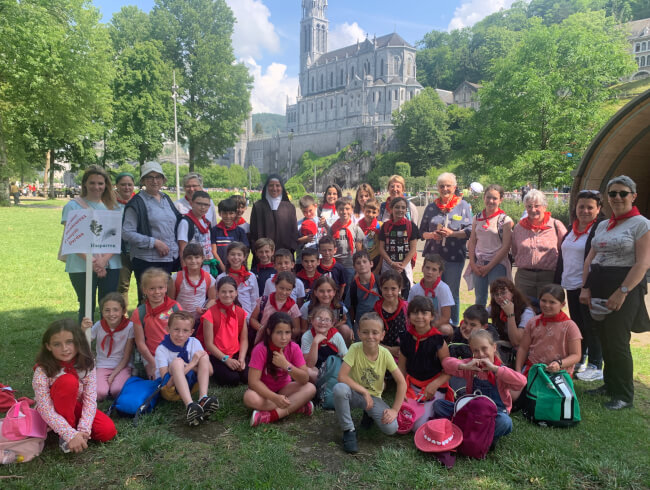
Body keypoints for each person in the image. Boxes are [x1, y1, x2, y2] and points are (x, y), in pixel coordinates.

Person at [580, 175, 650, 410]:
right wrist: (586, 287)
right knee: (604, 338)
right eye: (612, 193)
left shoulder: (641, 224)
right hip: (599, 283)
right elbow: (591, 257)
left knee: (619, 341)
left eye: (623, 193)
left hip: (624, 286)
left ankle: (624, 395)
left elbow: (642, 263)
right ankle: (609, 384)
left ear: (633, 196)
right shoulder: (603, 225)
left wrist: (622, 292)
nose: (617, 197)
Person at [33, 319, 117, 453]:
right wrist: (69, 434)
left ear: (78, 341)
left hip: (76, 407)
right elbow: (45, 408)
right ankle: (64, 435)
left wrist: (84, 429)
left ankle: (76, 431)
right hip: (53, 411)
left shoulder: (87, 363)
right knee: (68, 381)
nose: (65, 349)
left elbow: (90, 398)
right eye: (57, 344)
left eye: (69, 342)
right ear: (48, 346)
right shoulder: (42, 370)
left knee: (107, 431)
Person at [435, 329, 527, 447]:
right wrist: (464, 366)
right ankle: (477, 435)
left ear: (494, 347)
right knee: (439, 405)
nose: (481, 354)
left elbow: (522, 382)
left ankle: (472, 435)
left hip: (494, 414)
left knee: (505, 422)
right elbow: (446, 364)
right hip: (471, 411)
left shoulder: (501, 370)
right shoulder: (471, 366)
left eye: (484, 348)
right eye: (476, 351)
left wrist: (495, 369)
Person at [333, 312, 407, 454]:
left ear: (382, 335)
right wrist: (364, 391)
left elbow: (401, 382)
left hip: (373, 398)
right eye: (365, 332)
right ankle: (349, 430)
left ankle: (369, 413)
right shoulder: (355, 348)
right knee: (339, 389)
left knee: (391, 428)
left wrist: (395, 410)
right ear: (359, 333)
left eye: (375, 333)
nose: (370, 336)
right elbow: (341, 376)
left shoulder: (385, 353)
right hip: (354, 393)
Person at [555, 190, 604, 381]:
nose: (584, 210)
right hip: (571, 284)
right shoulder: (572, 229)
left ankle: (596, 364)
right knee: (577, 325)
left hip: (587, 286)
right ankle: (580, 359)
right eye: (581, 206)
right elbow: (563, 259)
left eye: (590, 207)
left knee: (591, 326)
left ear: (598, 209)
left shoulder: (598, 231)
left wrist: (588, 286)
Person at [61, 165, 121, 322]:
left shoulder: (113, 207)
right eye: (92, 183)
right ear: (85, 184)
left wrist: (103, 260)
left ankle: (105, 342)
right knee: (86, 305)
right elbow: (71, 238)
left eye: (100, 183)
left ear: (106, 185)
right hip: (80, 264)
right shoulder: (72, 206)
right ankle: (85, 341)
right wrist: (93, 262)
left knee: (108, 305)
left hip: (110, 263)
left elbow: (115, 238)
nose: (96, 187)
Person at [123, 161, 181, 304]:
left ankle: (162, 327)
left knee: (164, 301)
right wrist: (154, 242)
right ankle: (144, 326)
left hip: (167, 260)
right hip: (146, 260)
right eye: (150, 177)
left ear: (163, 180)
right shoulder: (137, 203)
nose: (155, 181)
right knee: (149, 301)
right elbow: (126, 233)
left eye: (158, 177)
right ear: (143, 180)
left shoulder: (166, 198)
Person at [244, 312, 316, 427]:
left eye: (287, 332)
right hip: (264, 393)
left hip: (284, 389)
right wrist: (275, 398)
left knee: (310, 388)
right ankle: (297, 406)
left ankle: (269, 416)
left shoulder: (294, 347)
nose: (284, 337)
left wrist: (286, 365)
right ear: (269, 332)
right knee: (249, 398)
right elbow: (253, 382)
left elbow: (304, 379)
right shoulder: (260, 349)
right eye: (279, 332)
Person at [419, 172, 473, 326]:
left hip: (454, 257)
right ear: (438, 188)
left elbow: (469, 231)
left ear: (454, 187)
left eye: (448, 186)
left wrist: (452, 233)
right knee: (432, 291)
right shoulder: (431, 207)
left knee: (451, 292)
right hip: (434, 257)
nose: (445, 189)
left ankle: (453, 325)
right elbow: (421, 232)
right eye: (442, 186)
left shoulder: (463, 206)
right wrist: (431, 235)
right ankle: (431, 323)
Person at [155, 311, 219, 426]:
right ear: (168, 329)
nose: (180, 335)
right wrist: (192, 363)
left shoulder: (194, 342)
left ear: (191, 332)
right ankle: (190, 406)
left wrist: (191, 365)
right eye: (176, 329)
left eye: (185, 331)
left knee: (203, 356)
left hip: (191, 386)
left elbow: (210, 371)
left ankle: (203, 398)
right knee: (177, 362)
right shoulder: (161, 349)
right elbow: (166, 383)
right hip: (171, 390)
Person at [398, 296, 452, 432]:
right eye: (415, 313)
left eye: (424, 313)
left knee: (418, 427)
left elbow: (449, 371)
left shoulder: (438, 340)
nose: (419, 316)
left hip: (433, 388)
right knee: (401, 422)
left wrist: (434, 385)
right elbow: (402, 368)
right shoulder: (406, 337)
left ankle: (435, 411)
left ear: (432, 316)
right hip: (412, 386)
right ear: (409, 316)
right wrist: (402, 388)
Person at [511, 189, 567, 303]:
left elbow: (565, 250)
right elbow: (515, 250)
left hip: (549, 277)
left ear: (545, 207)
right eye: (529, 206)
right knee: (523, 309)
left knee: (548, 310)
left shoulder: (556, 225)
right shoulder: (519, 228)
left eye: (537, 206)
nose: (533, 209)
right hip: (524, 277)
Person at [516, 284, 582, 377]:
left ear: (562, 304)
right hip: (533, 369)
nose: (547, 305)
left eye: (552, 302)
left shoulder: (570, 326)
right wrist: (518, 370)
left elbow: (576, 355)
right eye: (543, 301)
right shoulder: (533, 322)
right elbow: (523, 348)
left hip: (559, 373)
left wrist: (559, 364)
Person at [196, 277, 249, 387]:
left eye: (231, 291)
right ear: (217, 293)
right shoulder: (210, 314)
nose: (227, 295)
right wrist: (226, 360)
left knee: (247, 377)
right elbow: (209, 344)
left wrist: (241, 358)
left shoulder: (240, 312)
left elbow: (244, 339)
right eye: (223, 292)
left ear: (236, 293)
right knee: (232, 379)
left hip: (235, 352)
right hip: (217, 355)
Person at [81, 293, 134, 401]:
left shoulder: (130, 327)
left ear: (123, 311)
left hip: (122, 366)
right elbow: (83, 343)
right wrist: (83, 330)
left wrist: (113, 376)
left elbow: (126, 357)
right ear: (102, 311)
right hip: (103, 365)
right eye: (107, 310)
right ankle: (106, 387)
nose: (111, 314)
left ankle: (117, 384)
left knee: (117, 390)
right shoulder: (99, 326)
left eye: (115, 310)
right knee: (100, 393)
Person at [466, 184, 513, 306]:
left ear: (501, 200)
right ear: (484, 198)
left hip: (497, 264)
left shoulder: (505, 221)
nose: (491, 201)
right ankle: (480, 323)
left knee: (498, 298)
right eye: (488, 197)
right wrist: (472, 263)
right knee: (480, 298)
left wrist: (489, 266)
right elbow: (472, 241)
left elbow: (506, 247)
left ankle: (499, 324)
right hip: (479, 263)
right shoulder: (477, 218)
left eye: (494, 198)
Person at [131, 268, 181, 379]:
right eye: (152, 289)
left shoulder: (175, 308)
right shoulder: (139, 312)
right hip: (152, 355)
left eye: (160, 288)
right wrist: (153, 363)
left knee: (177, 379)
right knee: (159, 382)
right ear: (144, 290)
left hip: (174, 352)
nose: (157, 292)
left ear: (166, 288)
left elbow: (183, 334)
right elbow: (140, 343)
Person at [379, 197, 420, 299]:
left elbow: (413, 249)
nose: (400, 210)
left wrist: (402, 266)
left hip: (404, 266)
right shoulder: (385, 226)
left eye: (403, 207)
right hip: (388, 265)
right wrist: (392, 263)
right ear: (391, 209)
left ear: (406, 210)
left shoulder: (411, 226)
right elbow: (381, 248)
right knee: (388, 292)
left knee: (405, 293)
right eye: (397, 207)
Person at [249, 174, 298, 258]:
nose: (274, 188)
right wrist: (256, 250)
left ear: (282, 188)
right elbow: (253, 231)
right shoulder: (258, 206)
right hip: (263, 256)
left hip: (284, 255)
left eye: (277, 185)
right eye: (271, 185)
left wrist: (291, 249)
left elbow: (294, 231)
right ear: (266, 187)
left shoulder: (289, 207)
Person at [168, 243, 217, 324]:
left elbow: (213, 299)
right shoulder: (176, 278)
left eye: (197, 257)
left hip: (199, 320)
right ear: (184, 259)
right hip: (179, 320)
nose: (193, 261)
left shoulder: (209, 278)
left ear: (202, 259)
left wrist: (206, 308)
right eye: (189, 258)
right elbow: (170, 301)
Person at [407, 254, 454, 337]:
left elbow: (446, 317)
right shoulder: (415, 289)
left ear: (439, 273)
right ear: (422, 268)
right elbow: (409, 311)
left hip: (437, 324)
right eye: (427, 268)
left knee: (446, 329)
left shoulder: (444, 289)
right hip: (419, 322)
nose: (429, 272)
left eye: (434, 269)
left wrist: (429, 328)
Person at [488, 278, 536, 355]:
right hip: (502, 347)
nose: (500, 297)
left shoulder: (527, 312)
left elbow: (516, 342)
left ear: (512, 293)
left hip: (521, 352)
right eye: (496, 294)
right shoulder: (495, 306)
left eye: (503, 293)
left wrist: (510, 314)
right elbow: (478, 314)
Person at [301, 305, 348, 382]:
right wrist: (315, 343)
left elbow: (345, 357)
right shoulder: (307, 336)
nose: (322, 322)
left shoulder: (336, 336)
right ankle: (319, 388)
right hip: (316, 369)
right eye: (319, 318)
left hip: (333, 368)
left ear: (332, 323)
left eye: (327, 320)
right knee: (308, 371)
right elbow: (309, 364)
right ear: (312, 320)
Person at [250, 271, 302, 340]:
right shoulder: (264, 301)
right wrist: (261, 328)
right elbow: (253, 319)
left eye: (288, 290)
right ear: (275, 285)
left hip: (283, 342)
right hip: (263, 339)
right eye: (281, 288)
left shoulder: (293, 307)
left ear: (292, 289)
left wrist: (285, 334)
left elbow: (297, 329)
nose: (284, 292)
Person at [177, 190, 219, 274]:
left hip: (207, 266)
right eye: (199, 204)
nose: (203, 207)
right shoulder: (185, 223)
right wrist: (186, 272)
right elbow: (182, 249)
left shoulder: (206, 222)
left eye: (206, 205)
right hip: (193, 267)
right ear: (191, 203)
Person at [301, 276, 351, 344]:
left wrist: (332, 327)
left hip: (332, 334)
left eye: (329, 291)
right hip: (313, 336)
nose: (325, 294)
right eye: (321, 291)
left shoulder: (339, 307)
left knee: (345, 329)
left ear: (334, 292)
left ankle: (343, 352)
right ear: (315, 292)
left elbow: (344, 319)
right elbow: (304, 329)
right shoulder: (307, 307)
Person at [373, 270, 408, 358]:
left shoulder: (407, 308)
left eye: (393, 289)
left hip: (403, 354)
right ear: (380, 288)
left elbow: (414, 332)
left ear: (400, 288)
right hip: (380, 354)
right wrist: (390, 350)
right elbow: (370, 339)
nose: (389, 293)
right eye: (385, 288)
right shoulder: (375, 311)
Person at [218, 241, 258, 317]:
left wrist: (252, 317)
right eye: (232, 254)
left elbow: (254, 299)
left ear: (244, 257)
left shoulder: (251, 276)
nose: (236, 257)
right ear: (227, 256)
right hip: (227, 317)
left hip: (247, 317)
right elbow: (218, 299)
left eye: (239, 255)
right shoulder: (221, 278)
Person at [347, 250, 381, 337]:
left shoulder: (380, 282)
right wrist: (350, 327)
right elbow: (346, 309)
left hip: (379, 321)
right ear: (354, 267)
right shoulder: (353, 287)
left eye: (364, 261)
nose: (362, 264)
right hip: (361, 324)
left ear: (371, 264)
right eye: (358, 263)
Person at [115, 172, 136, 306]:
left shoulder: (139, 202)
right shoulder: (109, 203)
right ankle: (122, 316)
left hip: (138, 249)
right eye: (123, 184)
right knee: (122, 286)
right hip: (120, 251)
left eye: (129, 184)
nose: (126, 187)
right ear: (117, 186)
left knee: (144, 284)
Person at [330, 197, 364, 273]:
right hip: (335, 265)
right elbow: (330, 246)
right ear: (337, 210)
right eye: (341, 209)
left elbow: (359, 251)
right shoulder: (333, 228)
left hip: (350, 266)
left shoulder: (356, 229)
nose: (344, 211)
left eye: (347, 209)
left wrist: (358, 269)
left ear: (352, 210)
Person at [357, 198, 383, 273]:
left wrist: (378, 268)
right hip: (364, 260)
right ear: (363, 210)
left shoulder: (380, 226)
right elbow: (358, 248)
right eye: (368, 211)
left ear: (378, 213)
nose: (370, 214)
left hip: (377, 260)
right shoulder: (358, 226)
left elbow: (383, 248)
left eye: (374, 212)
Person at [297, 195, 322, 265]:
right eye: (304, 212)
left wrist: (325, 225)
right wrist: (302, 240)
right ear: (301, 209)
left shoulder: (321, 222)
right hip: (302, 261)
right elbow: (293, 242)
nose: (308, 214)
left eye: (310, 210)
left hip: (319, 260)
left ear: (315, 206)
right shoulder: (298, 225)